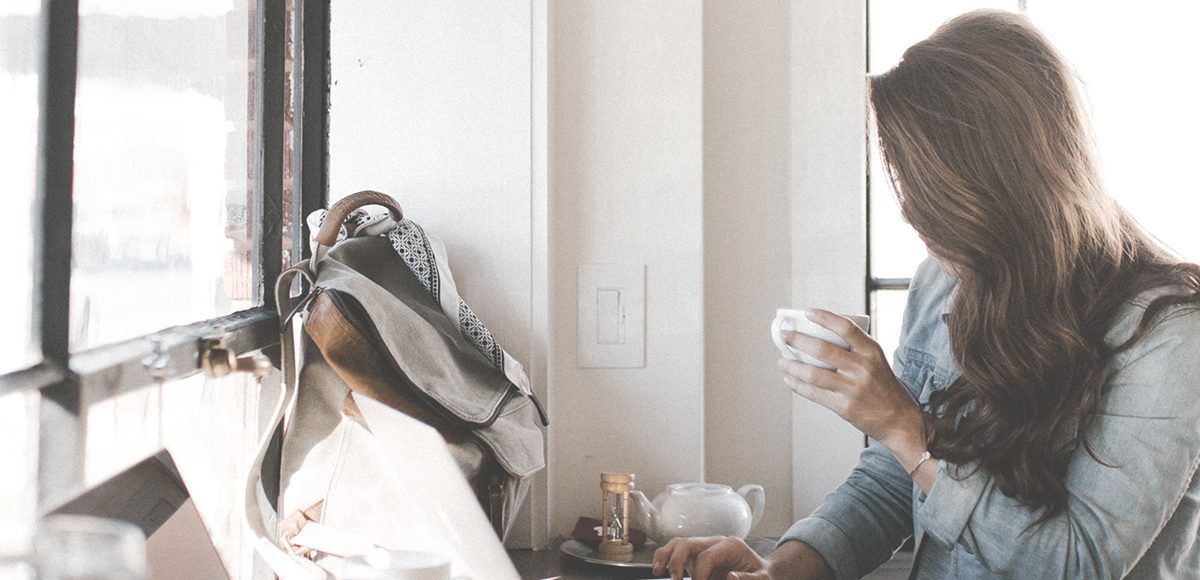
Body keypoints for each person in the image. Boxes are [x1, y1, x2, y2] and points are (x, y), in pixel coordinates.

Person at [652, 9, 1200, 579]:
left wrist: (902, 424)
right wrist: (781, 568)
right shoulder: (944, 280)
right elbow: (893, 482)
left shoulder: (1169, 334)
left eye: (934, 200)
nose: (920, 225)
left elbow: (1075, 564)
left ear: (1009, 182)